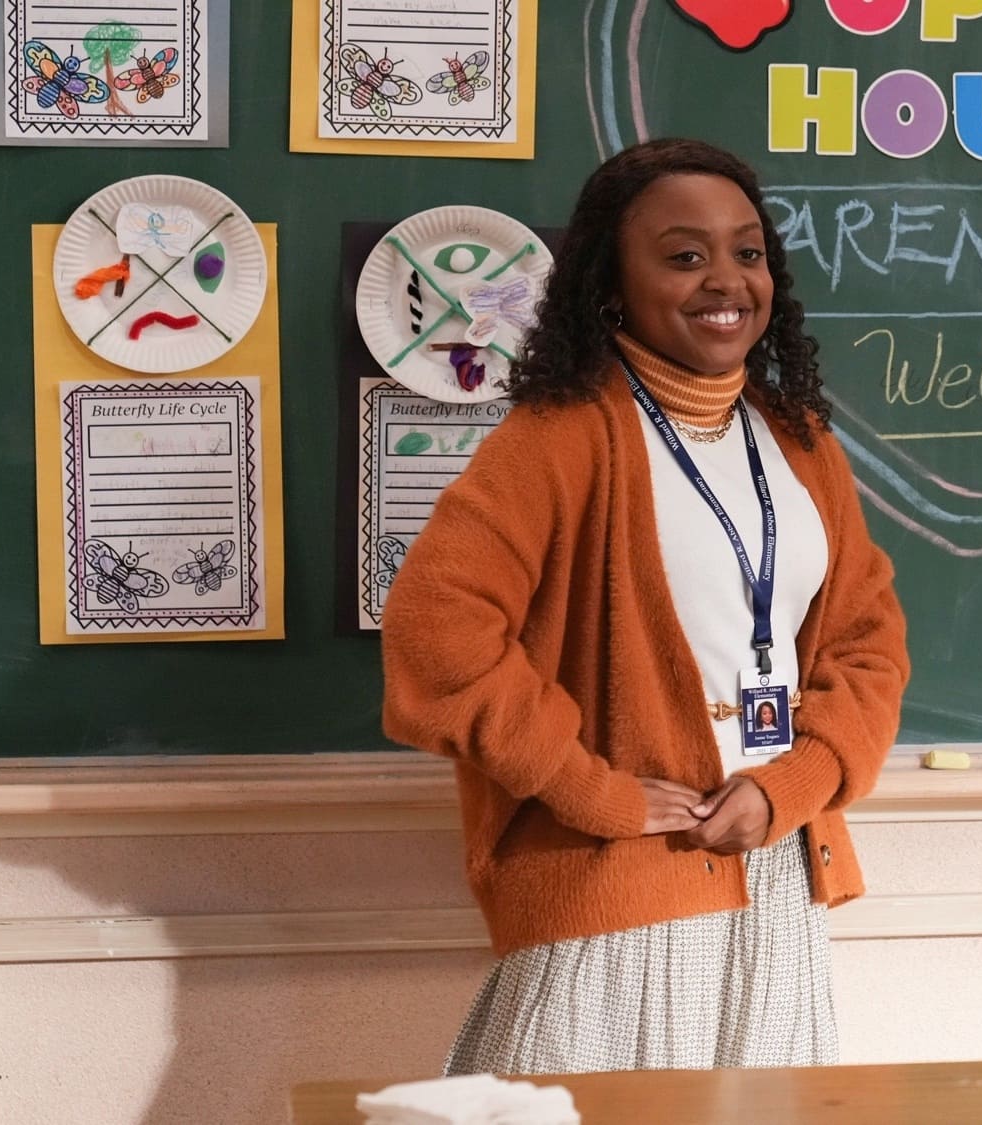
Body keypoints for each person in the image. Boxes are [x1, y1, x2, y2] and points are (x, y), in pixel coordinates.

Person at [380, 137, 910, 1076]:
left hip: (776, 869)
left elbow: (869, 644)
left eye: (748, 252)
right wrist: (588, 787)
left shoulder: (799, 441)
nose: (727, 280)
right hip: (620, 876)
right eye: (685, 255)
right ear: (612, 283)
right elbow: (436, 628)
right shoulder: (561, 435)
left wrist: (790, 785)